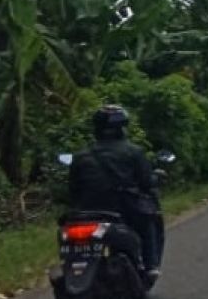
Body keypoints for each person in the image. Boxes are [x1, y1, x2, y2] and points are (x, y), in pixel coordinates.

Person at [69, 105, 164, 280]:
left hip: (88, 211)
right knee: (149, 222)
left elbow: (73, 188)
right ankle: (150, 265)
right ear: (122, 128)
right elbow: (146, 182)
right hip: (125, 208)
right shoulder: (133, 152)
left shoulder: (81, 155)